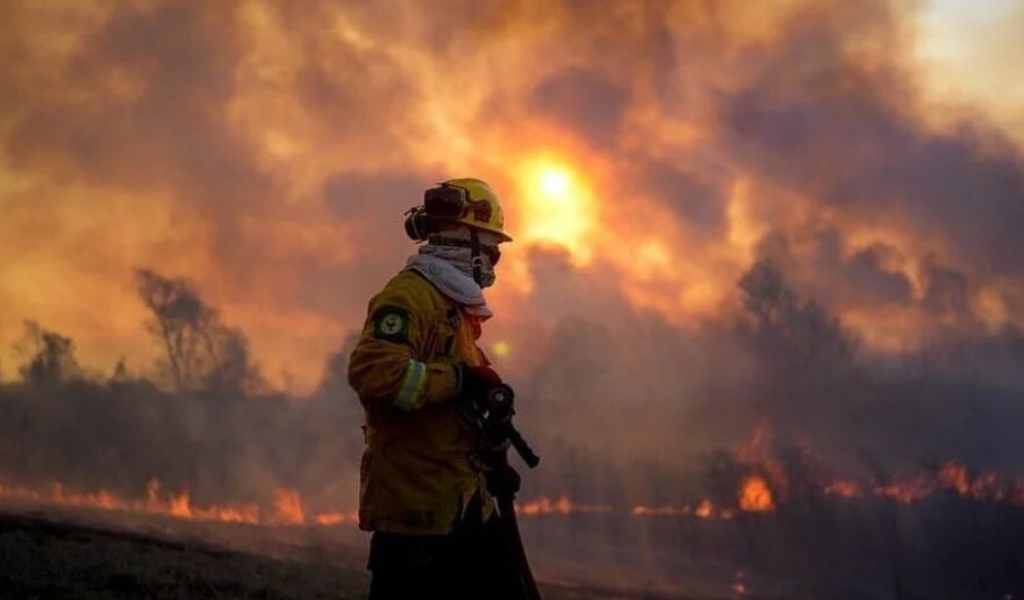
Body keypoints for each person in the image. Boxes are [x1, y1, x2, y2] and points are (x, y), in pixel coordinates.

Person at [348, 178, 524, 599]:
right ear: (464, 239)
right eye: (492, 249)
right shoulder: (409, 298)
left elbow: (449, 413)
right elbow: (375, 375)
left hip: (462, 507)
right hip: (416, 520)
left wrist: (492, 464)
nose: (494, 262)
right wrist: (460, 380)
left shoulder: (453, 307)